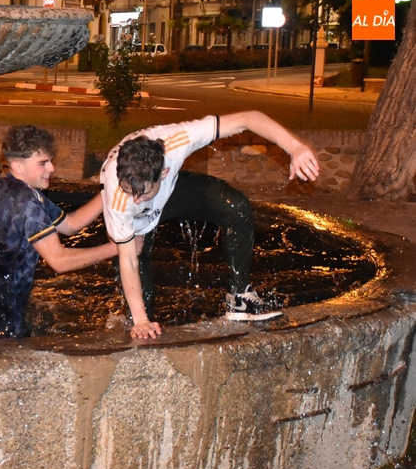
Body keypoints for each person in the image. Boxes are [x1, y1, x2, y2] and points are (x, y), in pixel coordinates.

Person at [100, 111, 320, 339]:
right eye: (130, 192)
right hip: (135, 223)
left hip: (170, 192)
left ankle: (239, 297)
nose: (136, 201)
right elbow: (128, 260)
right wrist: (141, 320)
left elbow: (248, 118)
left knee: (235, 205)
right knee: (140, 309)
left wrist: (295, 146)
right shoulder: (118, 195)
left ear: (163, 172)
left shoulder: (178, 140)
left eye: (143, 194)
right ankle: (134, 321)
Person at [0, 125, 120, 339]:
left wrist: (110, 192)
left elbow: (70, 224)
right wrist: (117, 248)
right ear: (17, 166)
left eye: (50, 160)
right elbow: (59, 261)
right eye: (42, 163)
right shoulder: (26, 204)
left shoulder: (9, 187)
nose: (51, 168)